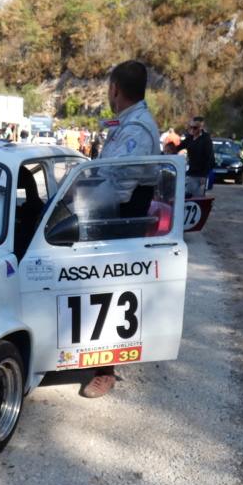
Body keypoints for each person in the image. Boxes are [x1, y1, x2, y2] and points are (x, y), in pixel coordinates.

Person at [82, 59, 161, 399]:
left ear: (115, 88)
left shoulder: (136, 130)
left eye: (109, 89)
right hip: (108, 218)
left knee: (110, 294)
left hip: (119, 223)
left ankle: (106, 371)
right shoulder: (126, 123)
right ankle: (84, 350)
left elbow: (119, 189)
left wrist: (79, 195)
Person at [179, 116, 215, 198]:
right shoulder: (189, 138)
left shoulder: (206, 139)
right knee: (187, 196)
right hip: (191, 172)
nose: (192, 129)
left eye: (195, 128)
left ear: (201, 127)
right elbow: (178, 147)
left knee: (197, 198)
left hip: (200, 174)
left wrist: (203, 175)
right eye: (190, 127)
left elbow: (211, 159)